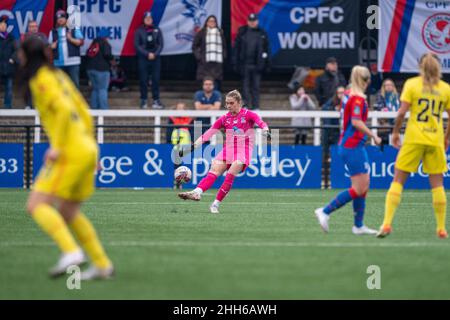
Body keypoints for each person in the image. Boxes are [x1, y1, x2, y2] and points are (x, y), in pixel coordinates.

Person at [18, 37, 113, 280]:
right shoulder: (60, 76)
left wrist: (57, 146)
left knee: (36, 205)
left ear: (27, 56)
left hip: (70, 150)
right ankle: (102, 265)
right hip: (86, 147)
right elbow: (83, 111)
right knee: (69, 212)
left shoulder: (41, 79)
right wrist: (93, 149)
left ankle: (71, 252)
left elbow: (62, 109)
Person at [377, 53, 450, 239]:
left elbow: (401, 113)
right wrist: (446, 137)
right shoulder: (445, 88)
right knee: (437, 185)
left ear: (420, 66)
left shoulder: (412, 84)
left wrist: (395, 132)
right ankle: (441, 228)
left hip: (414, 139)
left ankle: (386, 224)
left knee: (398, 180)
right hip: (435, 140)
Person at [314, 66, 382, 235]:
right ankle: (325, 211)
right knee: (359, 188)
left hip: (351, 143)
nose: (369, 84)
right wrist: (373, 135)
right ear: (364, 81)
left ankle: (358, 225)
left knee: (363, 185)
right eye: (368, 81)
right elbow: (357, 122)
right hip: (352, 144)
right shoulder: (358, 98)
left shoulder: (348, 93)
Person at [178, 90, 270, 213]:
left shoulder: (248, 114)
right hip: (229, 149)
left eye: (231, 103)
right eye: (227, 103)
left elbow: (261, 122)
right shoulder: (224, 118)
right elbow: (208, 133)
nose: (228, 106)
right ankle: (197, 192)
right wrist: (194, 146)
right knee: (214, 171)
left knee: (231, 172)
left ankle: (215, 204)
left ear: (239, 102)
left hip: (243, 150)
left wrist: (265, 130)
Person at [232, 13, 270, 110]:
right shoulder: (242, 32)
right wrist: (236, 63)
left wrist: (266, 64)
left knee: (256, 87)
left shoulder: (262, 33)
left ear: (257, 21)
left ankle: (256, 106)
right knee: (245, 87)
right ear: (248, 21)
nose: (252, 23)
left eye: (254, 21)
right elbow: (236, 49)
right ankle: (246, 106)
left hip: (257, 65)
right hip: (245, 64)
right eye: (250, 21)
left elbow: (267, 49)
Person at [134, 11, 164, 109]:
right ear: (143, 20)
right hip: (143, 58)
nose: (148, 20)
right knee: (143, 79)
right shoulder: (139, 31)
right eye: (146, 18)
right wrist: (147, 54)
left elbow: (161, 44)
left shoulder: (157, 30)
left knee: (156, 79)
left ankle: (156, 100)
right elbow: (137, 45)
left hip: (155, 58)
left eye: (150, 18)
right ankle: (143, 100)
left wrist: (155, 54)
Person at [49, 9, 84, 88]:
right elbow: (49, 46)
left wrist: (71, 39)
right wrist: (51, 46)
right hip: (58, 63)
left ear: (66, 19)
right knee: (59, 86)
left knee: (74, 85)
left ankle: (74, 100)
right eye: (58, 18)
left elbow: (81, 42)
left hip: (73, 62)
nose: (60, 19)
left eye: (62, 17)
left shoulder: (74, 29)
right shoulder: (53, 31)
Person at [192, 15, 226, 91]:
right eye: (210, 21)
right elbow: (194, 46)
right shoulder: (201, 32)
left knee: (216, 81)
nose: (212, 23)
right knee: (205, 81)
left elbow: (224, 46)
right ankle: (203, 100)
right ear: (206, 22)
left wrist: (223, 56)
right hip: (205, 62)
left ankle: (216, 100)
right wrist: (199, 57)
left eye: (213, 21)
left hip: (217, 62)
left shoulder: (220, 32)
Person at [85, 29, 113, 109]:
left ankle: (94, 109)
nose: (108, 38)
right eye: (108, 37)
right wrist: (112, 59)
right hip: (102, 70)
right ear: (105, 37)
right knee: (102, 89)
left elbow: (88, 54)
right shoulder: (105, 43)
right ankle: (104, 111)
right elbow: (107, 55)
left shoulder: (93, 44)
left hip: (90, 69)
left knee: (95, 89)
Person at [168, 102, 193, 189]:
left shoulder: (189, 119)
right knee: (177, 163)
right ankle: (177, 181)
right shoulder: (172, 119)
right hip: (177, 145)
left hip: (187, 145)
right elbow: (169, 131)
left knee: (186, 164)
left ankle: (182, 181)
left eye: (182, 108)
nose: (180, 110)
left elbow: (192, 131)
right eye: (179, 108)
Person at [374, 78, 400, 145]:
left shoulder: (397, 95)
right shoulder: (380, 95)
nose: (389, 86)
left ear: (393, 86)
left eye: (390, 85)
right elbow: (379, 106)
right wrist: (384, 109)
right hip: (384, 120)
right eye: (387, 85)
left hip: (396, 119)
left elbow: (400, 106)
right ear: (384, 87)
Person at [0, 15, 16, 109]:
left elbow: (16, 50)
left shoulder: (11, 37)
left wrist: (12, 58)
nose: (3, 26)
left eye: (4, 24)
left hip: (8, 67)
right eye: (1, 24)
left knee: (9, 88)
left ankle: (7, 105)